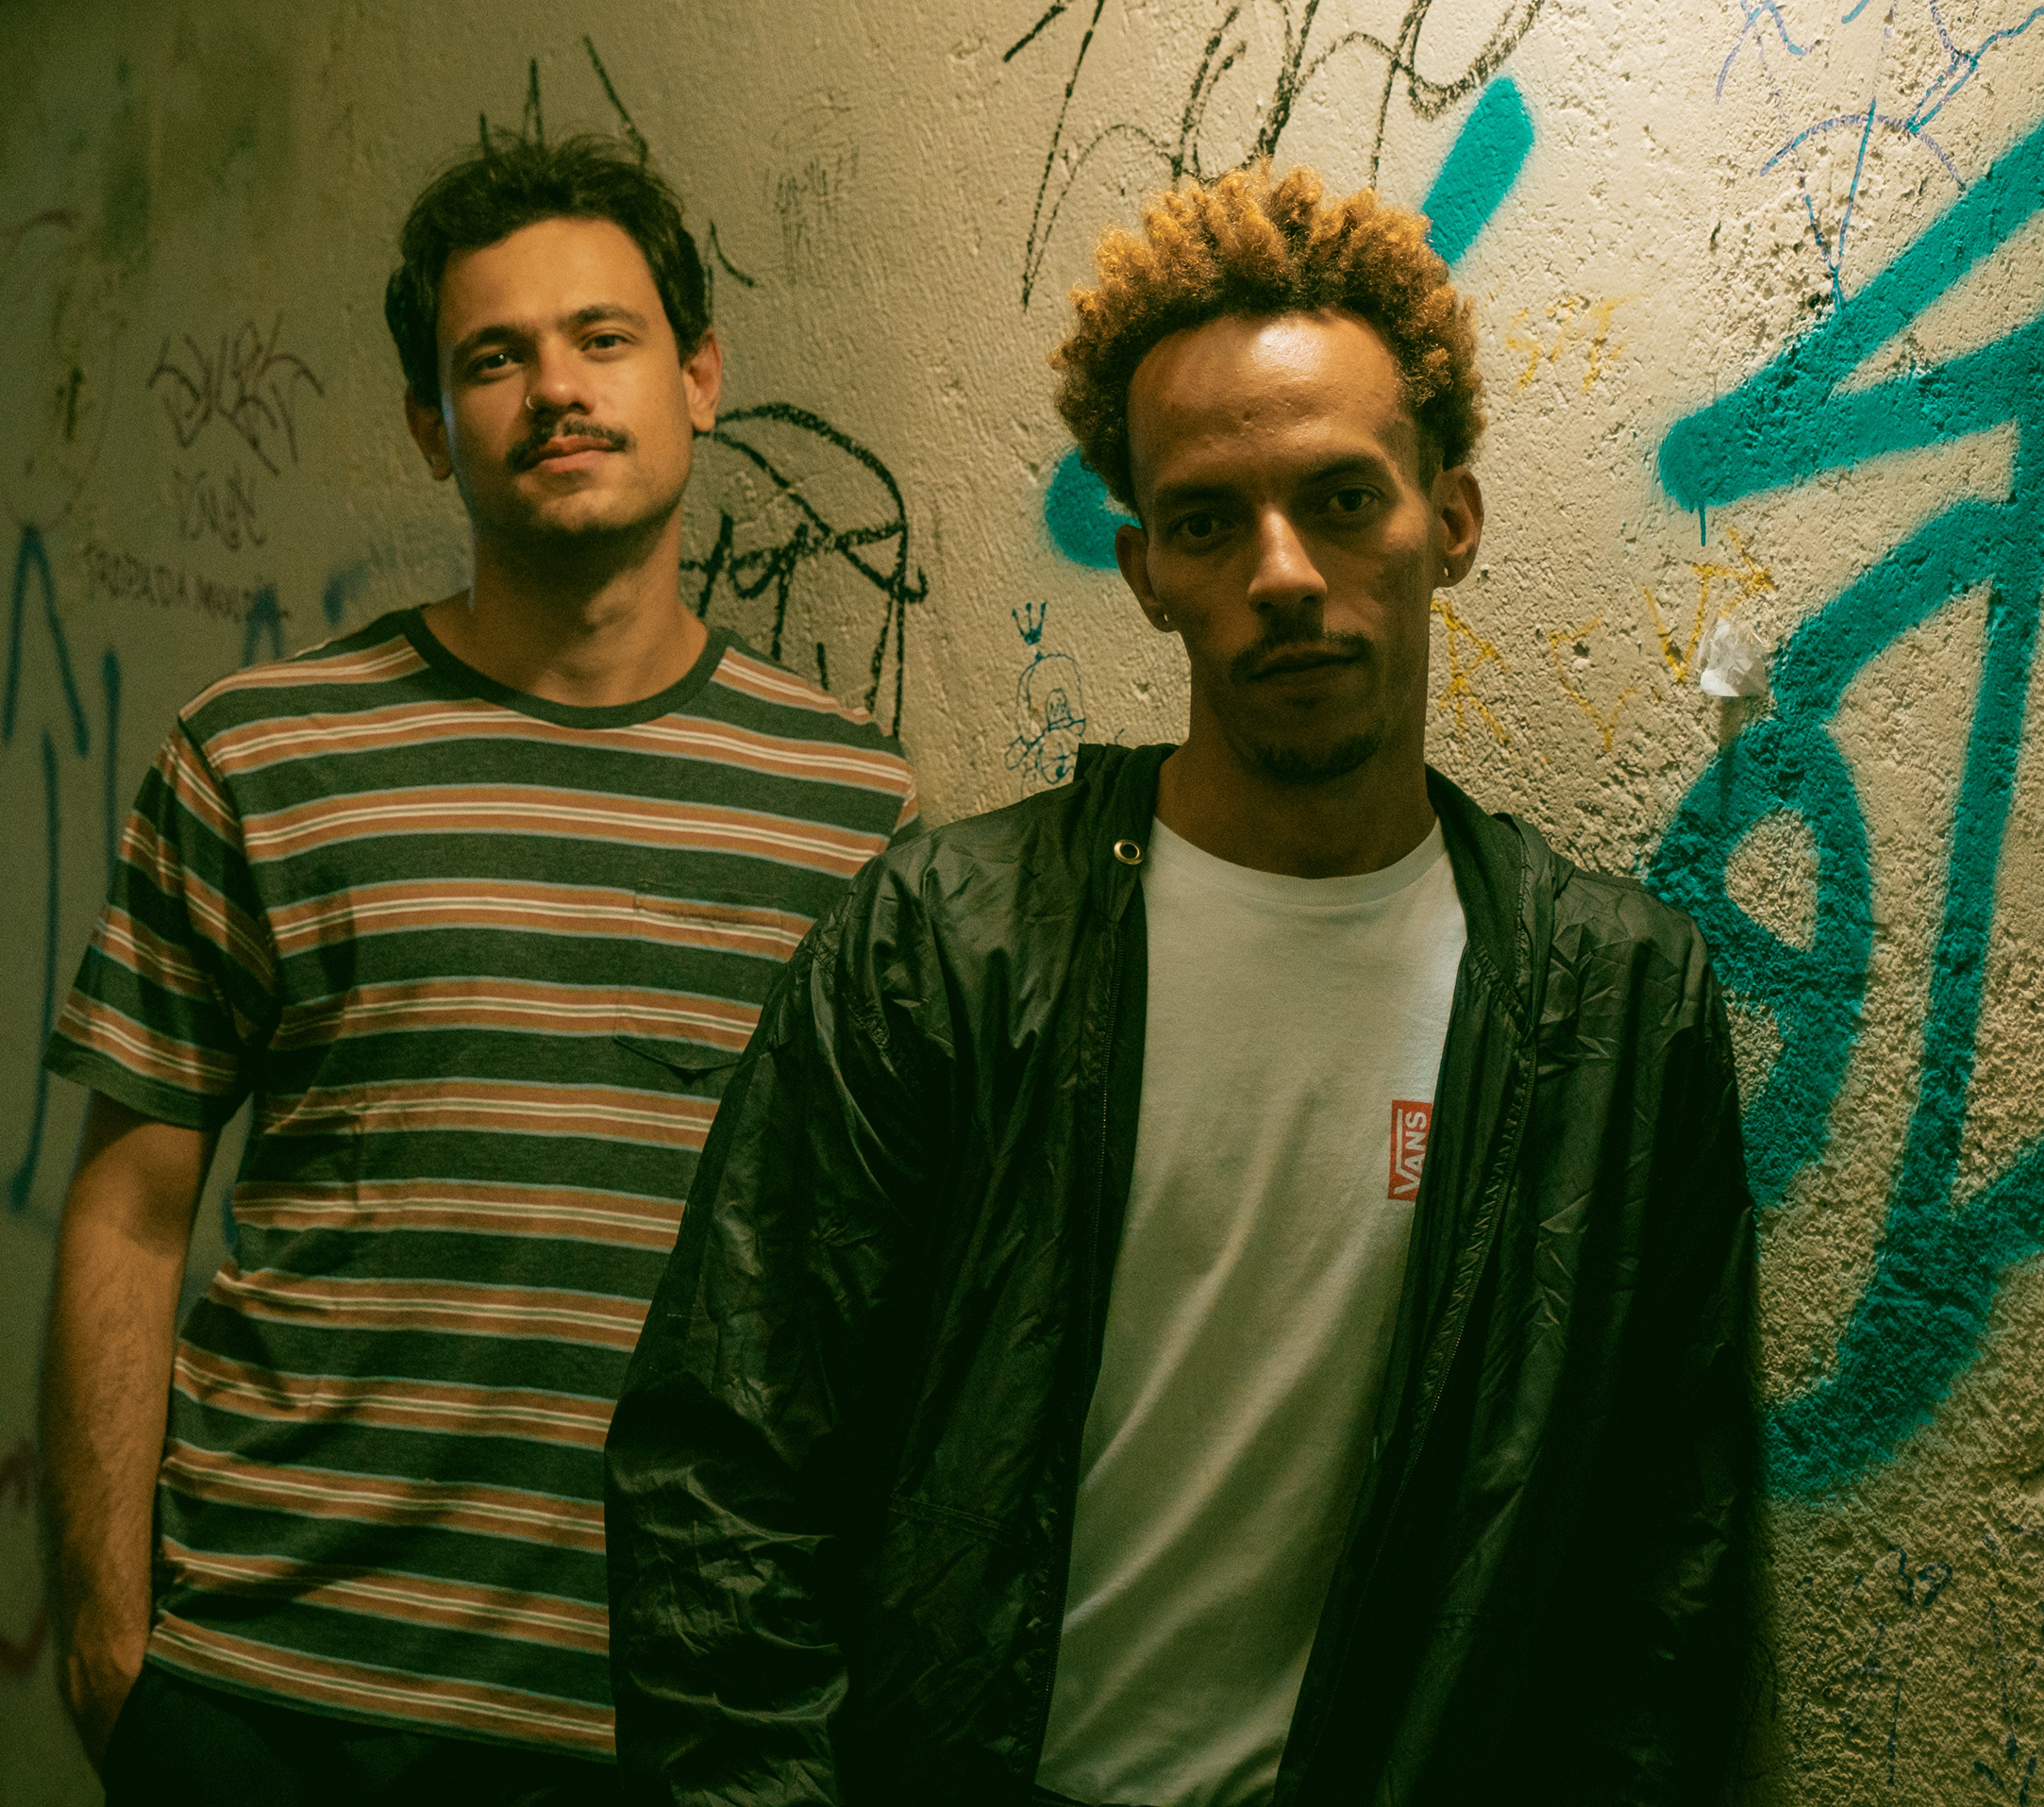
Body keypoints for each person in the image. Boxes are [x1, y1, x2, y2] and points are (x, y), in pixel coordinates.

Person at [606, 162, 1760, 1806]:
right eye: (1212, 522)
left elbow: (1664, 1581)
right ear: (1147, 570)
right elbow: (724, 1478)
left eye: (1343, 500)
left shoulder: (1616, 1011)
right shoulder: (944, 948)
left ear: (1453, 520)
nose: (1282, 572)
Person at [39, 129, 917, 1804]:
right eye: (494, 359)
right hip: (272, 1700)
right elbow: (132, 1208)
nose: (556, 389)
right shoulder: (262, 755)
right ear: (430, 427)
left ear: (700, 376)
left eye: (604, 338)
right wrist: (107, 1644)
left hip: (665, 1722)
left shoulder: (852, 810)